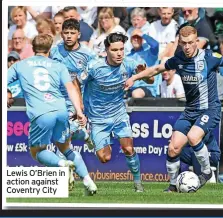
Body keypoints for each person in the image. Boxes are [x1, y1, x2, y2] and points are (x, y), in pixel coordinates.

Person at [124, 26, 223, 191]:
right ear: (179, 42)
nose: (187, 47)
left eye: (190, 43)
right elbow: (157, 69)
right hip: (190, 111)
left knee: (194, 137)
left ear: (196, 42)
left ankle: (207, 172)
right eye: (183, 43)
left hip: (209, 109)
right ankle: (173, 186)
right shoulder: (178, 58)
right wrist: (135, 78)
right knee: (173, 147)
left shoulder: (209, 57)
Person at [7, 34, 97, 196]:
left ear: (33, 49)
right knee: (65, 147)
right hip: (61, 110)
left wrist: (7, 93)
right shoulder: (58, 65)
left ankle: (62, 165)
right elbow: (71, 88)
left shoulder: (20, 65)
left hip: (41, 112)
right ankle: (88, 181)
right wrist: (79, 111)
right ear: (50, 49)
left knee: (37, 151)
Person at [81, 33, 152, 192]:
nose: (119, 53)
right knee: (105, 158)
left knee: (128, 148)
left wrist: (142, 74)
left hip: (119, 114)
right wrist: (79, 108)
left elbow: (151, 79)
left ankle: (138, 184)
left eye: (121, 49)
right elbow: (77, 83)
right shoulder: (94, 67)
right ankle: (98, 140)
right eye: (114, 50)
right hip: (98, 118)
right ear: (107, 50)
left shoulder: (129, 64)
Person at [50, 19, 97, 149]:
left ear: (79, 35)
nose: (69, 36)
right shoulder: (54, 51)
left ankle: (64, 167)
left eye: (72, 32)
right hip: (57, 98)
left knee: (65, 135)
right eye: (66, 33)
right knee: (57, 132)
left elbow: (96, 76)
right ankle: (84, 135)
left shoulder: (89, 54)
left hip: (77, 99)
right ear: (61, 34)